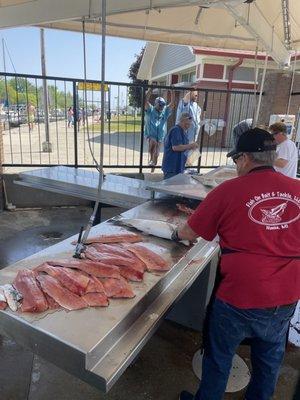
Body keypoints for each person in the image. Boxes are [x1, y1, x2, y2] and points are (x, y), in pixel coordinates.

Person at [172, 128, 300, 400]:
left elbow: (189, 233)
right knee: (268, 360)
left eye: (235, 160)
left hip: (238, 297)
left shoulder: (228, 190)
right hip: (286, 296)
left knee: (219, 359)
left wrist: (173, 233)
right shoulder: (298, 189)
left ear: (244, 158)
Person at [144, 88, 175, 171]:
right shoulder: (150, 109)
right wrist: (150, 90)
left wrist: (172, 91)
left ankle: (153, 166)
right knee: (152, 144)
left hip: (160, 135)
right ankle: (151, 159)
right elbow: (145, 101)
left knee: (157, 153)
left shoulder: (165, 111)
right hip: (150, 134)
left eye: (163, 105)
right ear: (156, 104)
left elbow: (172, 104)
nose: (161, 107)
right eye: (160, 105)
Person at [162, 112, 198, 179]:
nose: (190, 125)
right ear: (183, 121)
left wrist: (191, 147)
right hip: (172, 167)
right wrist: (190, 145)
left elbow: (183, 146)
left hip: (178, 166)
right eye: (188, 123)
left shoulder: (182, 131)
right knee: (169, 187)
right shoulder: (176, 130)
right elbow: (176, 147)